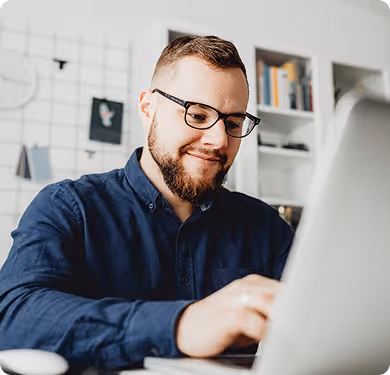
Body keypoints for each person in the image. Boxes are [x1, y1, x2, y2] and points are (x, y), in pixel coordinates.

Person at [0, 36, 294, 371]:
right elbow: (13, 318)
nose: (219, 141)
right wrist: (182, 325)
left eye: (232, 123)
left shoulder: (267, 228)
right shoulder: (68, 207)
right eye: (197, 115)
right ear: (147, 109)